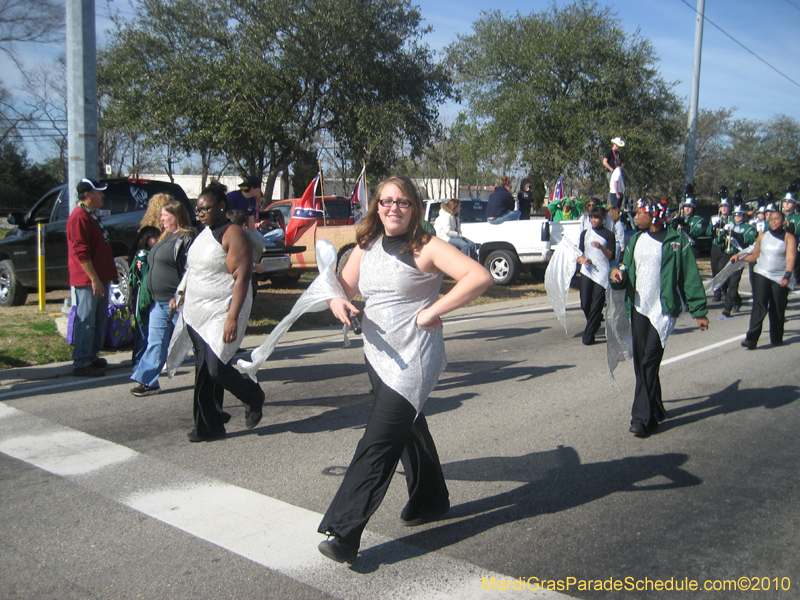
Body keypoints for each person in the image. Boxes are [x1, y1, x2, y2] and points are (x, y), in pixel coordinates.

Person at [317, 175, 492, 565]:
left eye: (402, 202)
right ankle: (431, 499)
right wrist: (337, 303)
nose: (392, 208)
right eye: (385, 201)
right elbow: (342, 288)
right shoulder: (368, 244)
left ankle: (344, 531)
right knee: (408, 426)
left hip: (413, 358)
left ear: (414, 207)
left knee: (379, 440)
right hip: (377, 354)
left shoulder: (426, 246)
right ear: (376, 206)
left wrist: (433, 310)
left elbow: (479, 276)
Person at [610, 197, 709, 438]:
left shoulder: (677, 241)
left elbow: (690, 277)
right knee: (641, 363)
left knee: (648, 362)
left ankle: (642, 419)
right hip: (640, 308)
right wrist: (618, 272)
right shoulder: (636, 239)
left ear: (654, 216)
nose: (634, 215)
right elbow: (625, 265)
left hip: (663, 312)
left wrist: (699, 310)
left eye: (639, 212)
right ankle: (656, 408)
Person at [179, 182, 264, 442]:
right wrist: (181, 294)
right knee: (203, 370)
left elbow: (242, 277)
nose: (200, 214)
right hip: (196, 311)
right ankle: (209, 426)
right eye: (198, 209)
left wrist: (231, 318)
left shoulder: (233, 232)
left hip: (222, 311)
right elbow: (193, 270)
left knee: (216, 368)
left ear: (222, 207)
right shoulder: (203, 234)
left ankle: (253, 395)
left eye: (206, 209)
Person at [130, 200, 196, 396]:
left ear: (176, 216)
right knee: (155, 342)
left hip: (177, 303)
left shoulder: (187, 238)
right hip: (158, 303)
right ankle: (149, 382)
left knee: (196, 341)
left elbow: (191, 270)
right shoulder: (165, 236)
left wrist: (181, 295)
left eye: (165, 215)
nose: (161, 219)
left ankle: (216, 372)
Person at [67, 178, 118, 377]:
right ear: (88, 195)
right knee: (86, 318)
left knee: (98, 318)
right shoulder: (79, 217)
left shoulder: (90, 215)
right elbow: (81, 252)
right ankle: (81, 361)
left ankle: (90, 355)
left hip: (99, 277)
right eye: (99, 192)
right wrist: (94, 279)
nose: (103, 195)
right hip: (88, 279)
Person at [731, 209, 796, 349]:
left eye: (777, 219)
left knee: (777, 307)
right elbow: (754, 256)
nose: (773, 221)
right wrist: (739, 257)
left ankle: (777, 337)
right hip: (761, 273)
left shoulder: (788, 237)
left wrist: (788, 275)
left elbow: (791, 257)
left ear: (783, 221)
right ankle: (751, 339)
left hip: (780, 276)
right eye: (771, 219)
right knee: (759, 305)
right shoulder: (762, 237)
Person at [577, 206, 615, 345]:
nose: (593, 220)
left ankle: (589, 335)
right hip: (587, 270)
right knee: (585, 302)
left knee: (596, 304)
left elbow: (612, 255)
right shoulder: (585, 233)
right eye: (591, 217)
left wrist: (601, 247)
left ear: (603, 218)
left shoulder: (609, 234)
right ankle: (596, 320)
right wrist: (581, 259)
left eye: (596, 217)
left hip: (601, 272)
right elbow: (579, 252)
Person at [127, 226, 161, 370]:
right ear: (146, 240)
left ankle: (147, 359)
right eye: (154, 237)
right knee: (142, 330)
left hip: (152, 296)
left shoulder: (155, 252)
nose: (158, 240)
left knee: (149, 331)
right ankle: (138, 360)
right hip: (142, 297)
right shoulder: (142, 255)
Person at [721, 205, 757, 317]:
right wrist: (721, 236)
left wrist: (739, 237)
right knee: (725, 282)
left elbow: (750, 240)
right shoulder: (728, 226)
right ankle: (737, 300)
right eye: (735, 215)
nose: (737, 217)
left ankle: (727, 307)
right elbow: (719, 241)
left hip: (740, 256)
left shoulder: (749, 228)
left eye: (739, 214)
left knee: (734, 282)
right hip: (727, 255)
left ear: (743, 215)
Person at [227, 208, 267, 297]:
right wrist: (255, 265)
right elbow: (261, 247)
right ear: (244, 224)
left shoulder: (228, 235)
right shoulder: (245, 234)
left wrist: (253, 265)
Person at [706, 188, 735, 302]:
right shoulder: (714, 218)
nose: (724, 209)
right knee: (714, 270)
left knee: (721, 269)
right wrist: (713, 227)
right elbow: (708, 232)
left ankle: (724, 289)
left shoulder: (731, 219)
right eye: (722, 207)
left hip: (726, 247)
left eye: (726, 206)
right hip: (715, 246)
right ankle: (717, 292)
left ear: (729, 208)